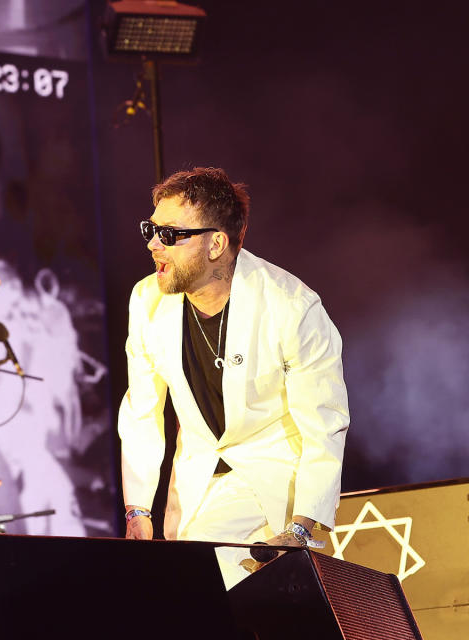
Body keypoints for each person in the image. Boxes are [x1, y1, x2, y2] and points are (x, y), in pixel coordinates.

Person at [118, 167, 349, 589]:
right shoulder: (146, 300)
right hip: (194, 488)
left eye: (169, 234)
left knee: (207, 589)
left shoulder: (291, 306)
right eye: (150, 230)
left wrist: (302, 528)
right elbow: (141, 412)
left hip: (273, 485)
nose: (153, 244)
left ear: (216, 243)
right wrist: (138, 511)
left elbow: (324, 424)